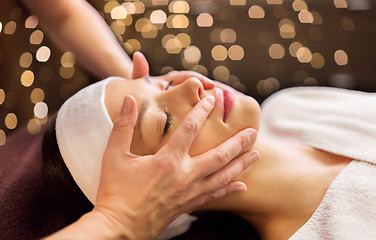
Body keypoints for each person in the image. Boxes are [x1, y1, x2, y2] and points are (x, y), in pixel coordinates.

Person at [47, 70, 376, 239]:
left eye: (161, 83)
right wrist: (116, 221)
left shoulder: (291, 107)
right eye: (164, 123)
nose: (191, 84)